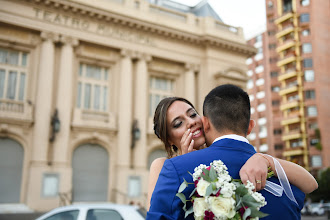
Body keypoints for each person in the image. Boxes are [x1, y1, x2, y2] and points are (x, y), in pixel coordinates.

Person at [147, 84, 318, 220]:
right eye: (178, 123)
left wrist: (264, 159)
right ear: (169, 139)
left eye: (193, 115)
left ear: (205, 122)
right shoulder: (167, 167)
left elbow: (311, 183)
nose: (191, 122)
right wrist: (185, 167)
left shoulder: (252, 161)